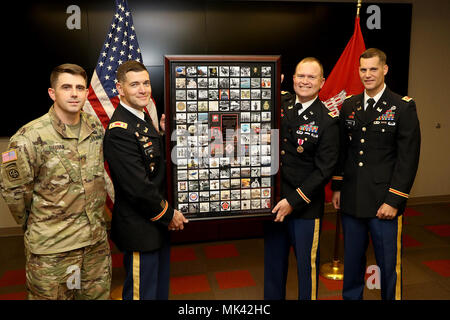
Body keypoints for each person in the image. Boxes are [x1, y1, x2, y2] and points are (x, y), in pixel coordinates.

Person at [0, 63, 111, 300]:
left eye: (80, 88)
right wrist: (38, 224)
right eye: (66, 87)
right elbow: (15, 194)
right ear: (53, 93)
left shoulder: (95, 128)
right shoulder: (28, 137)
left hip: (94, 246)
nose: (74, 93)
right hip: (53, 250)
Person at [331, 48, 421, 300]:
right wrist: (337, 186)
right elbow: (343, 151)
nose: (367, 74)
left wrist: (394, 200)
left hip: (384, 203)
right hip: (352, 200)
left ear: (385, 69)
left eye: (373, 69)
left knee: (388, 268)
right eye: (363, 69)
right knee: (352, 266)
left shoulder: (402, 107)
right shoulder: (349, 104)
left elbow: (408, 158)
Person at [103, 60, 188, 300]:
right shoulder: (120, 130)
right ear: (120, 89)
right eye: (135, 84)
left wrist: (160, 134)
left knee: (158, 291)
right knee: (142, 294)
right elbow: (138, 187)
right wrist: (168, 214)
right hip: (140, 228)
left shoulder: (140, 118)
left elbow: (150, 161)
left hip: (154, 225)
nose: (143, 89)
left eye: (146, 83)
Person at [264, 57, 339, 300]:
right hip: (275, 204)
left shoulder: (328, 120)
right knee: (274, 268)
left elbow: (323, 170)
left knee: (307, 270)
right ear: (293, 78)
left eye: (311, 77)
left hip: (304, 207)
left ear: (322, 82)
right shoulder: (280, 103)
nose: (305, 81)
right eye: (301, 76)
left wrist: (292, 201)